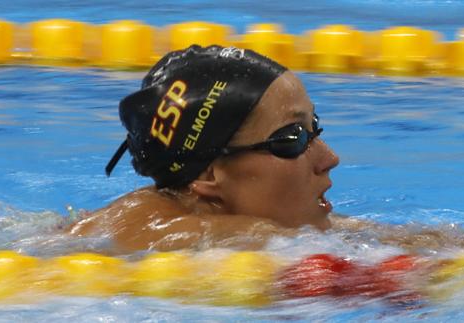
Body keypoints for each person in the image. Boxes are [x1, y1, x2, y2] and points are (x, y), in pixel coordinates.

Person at [68, 45, 340, 252]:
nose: (329, 158)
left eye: (313, 126)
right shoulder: (141, 230)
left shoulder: (255, 224)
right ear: (209, 175)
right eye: (291, 138)